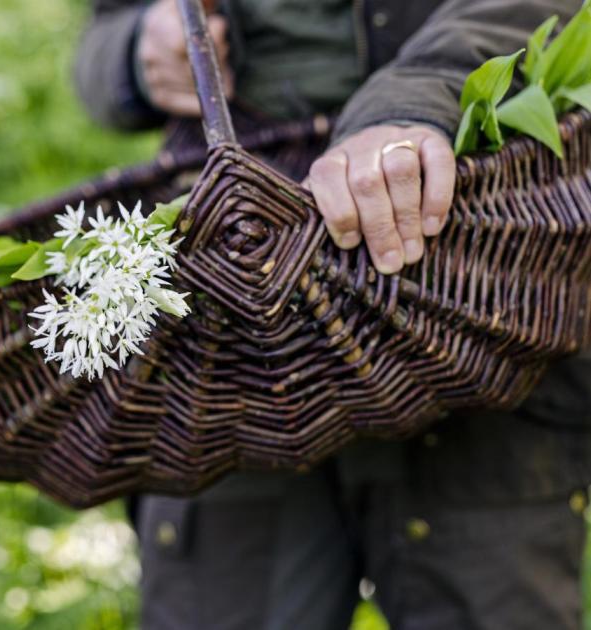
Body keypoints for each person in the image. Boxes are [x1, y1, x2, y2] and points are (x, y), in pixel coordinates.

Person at [76, 1, 591, 628]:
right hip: (228, 354)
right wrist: (135, 53)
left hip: (474, 307)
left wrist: (413, 102)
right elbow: (101, 38)